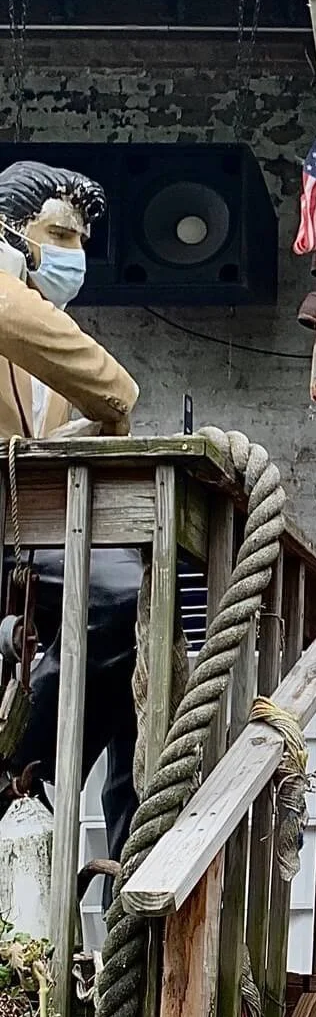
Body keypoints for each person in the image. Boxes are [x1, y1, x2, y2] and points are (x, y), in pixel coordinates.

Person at [0, 159, 143, 859]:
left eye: (80, 239)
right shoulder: (6, 302)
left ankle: (131, 848)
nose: (70, 255)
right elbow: (115, 392)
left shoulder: (40, 329)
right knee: (121, 590)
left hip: (37, 531)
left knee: (137, 623)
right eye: (57, 233)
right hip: (15, 530)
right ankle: (19, 765)